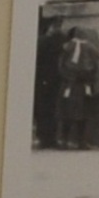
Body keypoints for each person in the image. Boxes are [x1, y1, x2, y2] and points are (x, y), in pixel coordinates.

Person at [58, 26, 99, 149]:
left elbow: (61, 66)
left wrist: (69, 77)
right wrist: (89, 78)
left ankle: (65, 140)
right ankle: (80, 141)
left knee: (68, 113)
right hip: (83, 85)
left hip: (71, 85)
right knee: (82, 115)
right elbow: (97, 64)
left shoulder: (67, 48)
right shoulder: (90, 48)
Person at [33, 15, 66, 149]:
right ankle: (46, 138)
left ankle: (46, 138)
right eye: (57, 25)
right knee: (47, 109)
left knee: (48, 109)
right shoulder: (51, 41)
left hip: (48, 79)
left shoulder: (48, 40)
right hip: (48, 79)